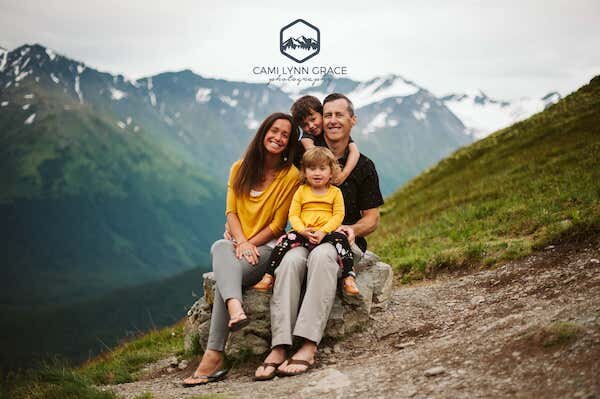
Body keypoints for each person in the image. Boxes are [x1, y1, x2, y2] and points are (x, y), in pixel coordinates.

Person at [255, 93, 384, 380]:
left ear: (353, 120)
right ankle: (280, 344)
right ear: (320, 120)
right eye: (328, 115)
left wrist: (351, 229)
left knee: (324, 259)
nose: (333, 120)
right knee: (289, 262)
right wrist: (240, 218)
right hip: (304, 234)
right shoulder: (307, 155)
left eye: (340, 115)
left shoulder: (364, 166)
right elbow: (272, 175)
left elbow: (372, 219)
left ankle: (308, 344)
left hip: (340, 240)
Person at [183, 112, 300, 387]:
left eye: (285, 134)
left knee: (225, 278)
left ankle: (214, 356)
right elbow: (231, 212)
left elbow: (277, 224)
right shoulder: (240, 168)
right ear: (263, 133)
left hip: (267, 249)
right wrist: (240, 241)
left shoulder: (290, 175)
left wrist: (250, 243)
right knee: (219, 245)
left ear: (290, 142)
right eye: (274, 131)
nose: (278, 137)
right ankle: (236, 310)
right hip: (236, 245)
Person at [252, 147, 359, 296]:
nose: (317, 173)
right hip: (304, 232)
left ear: (331, 172)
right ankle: (269, 276)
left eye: (322, 168)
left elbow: (338, 216)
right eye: (312, 168)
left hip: (326, 233)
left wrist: (323, 231)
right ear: (304, 172)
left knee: (342, 241)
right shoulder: (301, 191)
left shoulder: (335, 192)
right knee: (283, 241)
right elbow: (294, 214)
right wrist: (302, 230)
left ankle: (348, 277)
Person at [291, 95, 360, 185]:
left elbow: (355, 152)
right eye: (304, 125)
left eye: (313, 119)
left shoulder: (334, 133)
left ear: (322, 114)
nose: (311, 126)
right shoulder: (308, 137)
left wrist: (343, 175)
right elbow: (311, 148)